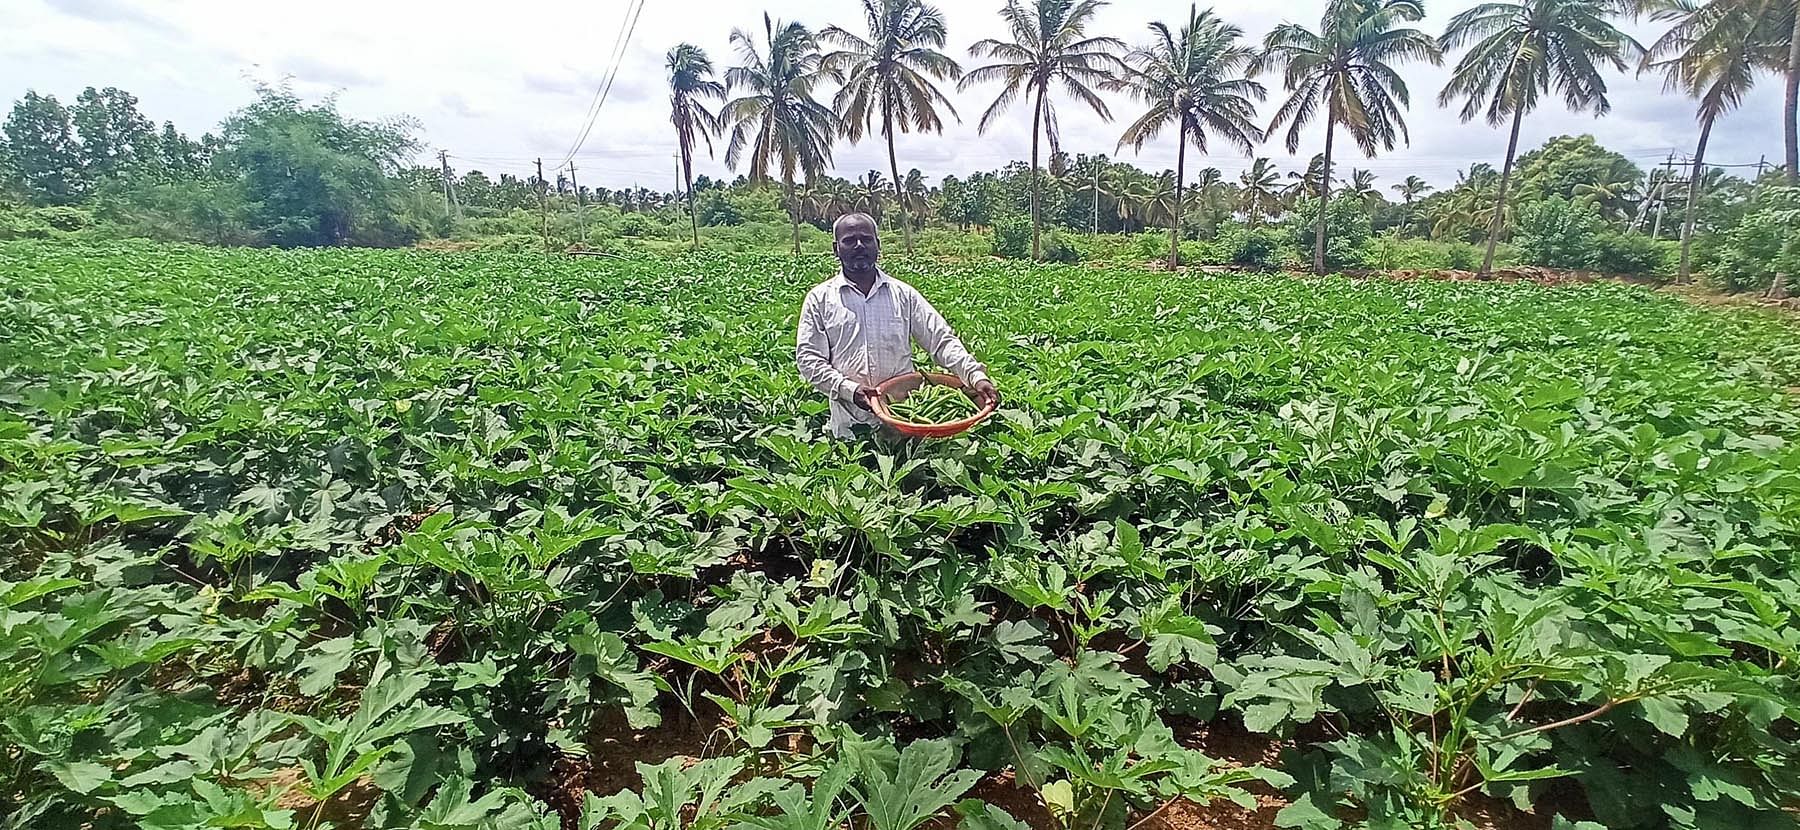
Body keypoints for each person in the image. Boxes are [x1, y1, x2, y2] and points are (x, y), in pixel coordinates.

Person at [796, 213, 999, 438]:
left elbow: (940, 340)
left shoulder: (903, 295)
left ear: (878, 245)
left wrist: (975, 376)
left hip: (905, 422)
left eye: (866, 238)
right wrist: (850, 390)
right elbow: (809, 359)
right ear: (836, 248)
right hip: (849, 426)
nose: (859, 245)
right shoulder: (820, 299)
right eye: (849, 240)